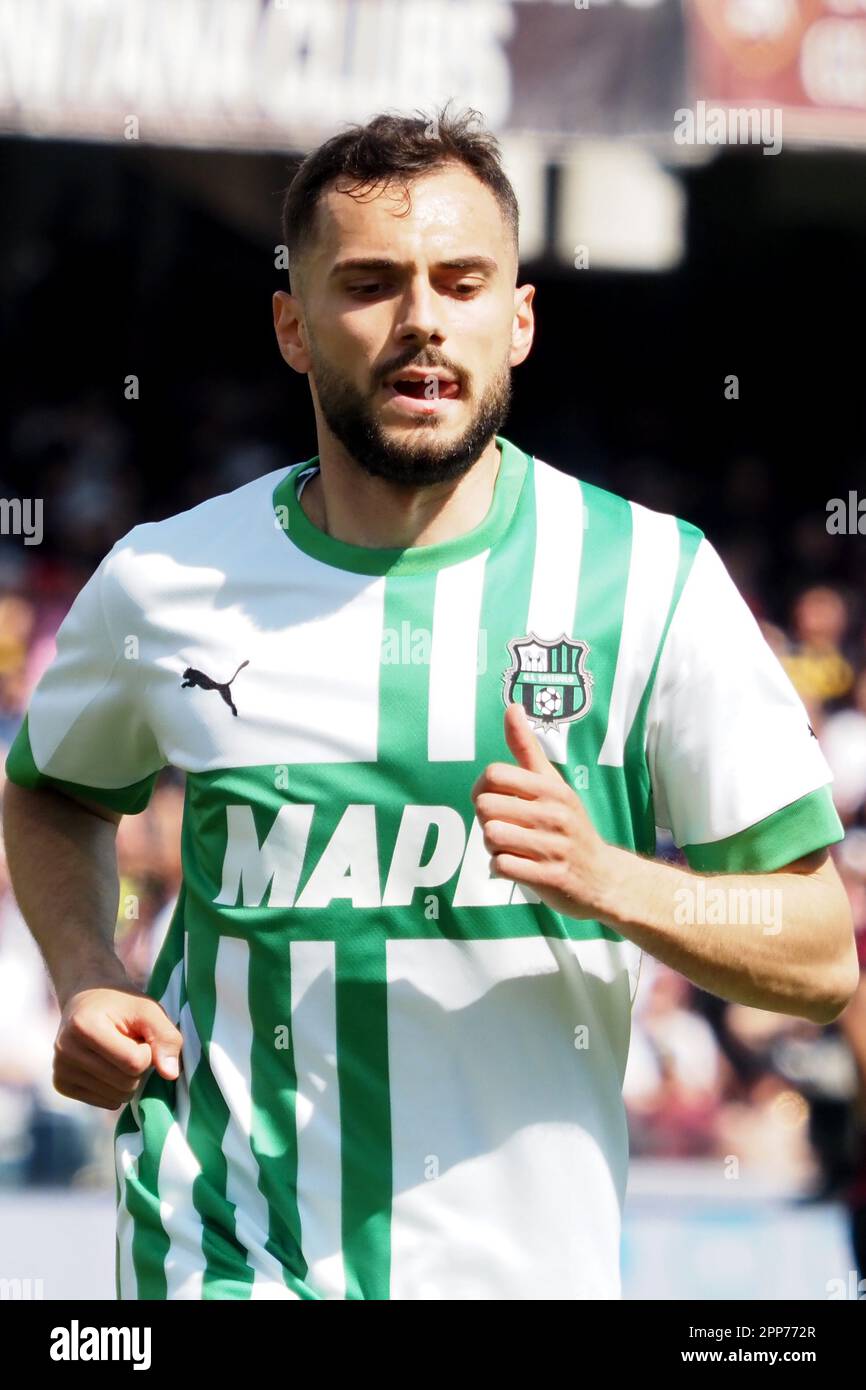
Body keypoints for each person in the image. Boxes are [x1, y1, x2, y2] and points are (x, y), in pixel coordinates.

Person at [1, 105, 858, 1302]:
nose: (420, 322)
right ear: (293, 329)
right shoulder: (167, 578)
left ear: (516, 322)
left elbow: (817, 952)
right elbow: (49, 790)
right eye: (369, 284)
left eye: (460, 283)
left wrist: (607, 876)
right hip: (219, 1265)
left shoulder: (650, 579)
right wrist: (92, 971)